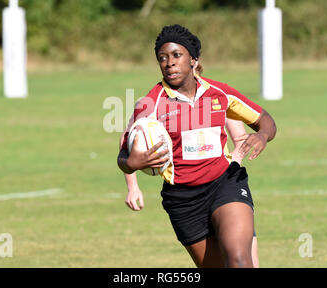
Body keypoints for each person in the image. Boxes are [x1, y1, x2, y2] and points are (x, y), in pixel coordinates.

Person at [117, 24, 276, 268]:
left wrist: (263, 135)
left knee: (239, 260)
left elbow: (265, 120)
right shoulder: (151, 103)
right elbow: (124, 152)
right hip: (183, 199)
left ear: (193, 59)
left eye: (176, 55)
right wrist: (131, 164)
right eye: (162, 58)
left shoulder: (219, 93)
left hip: (225, 182)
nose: (169, 63)